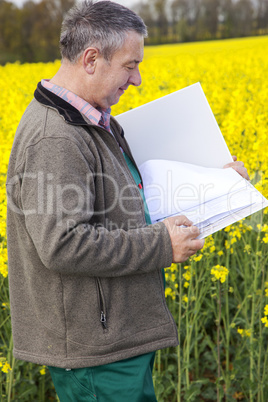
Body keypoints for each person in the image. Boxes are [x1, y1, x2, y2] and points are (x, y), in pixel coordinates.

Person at [6, 1, 249, 401]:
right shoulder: (56, 138)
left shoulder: (90, 119)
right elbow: (63, 244)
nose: (136, 79)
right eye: (130, 65)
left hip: (112, 335)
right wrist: (162, 245)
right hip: (95, 350)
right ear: (91, 59)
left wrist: (216, 182)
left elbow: (129, 196)